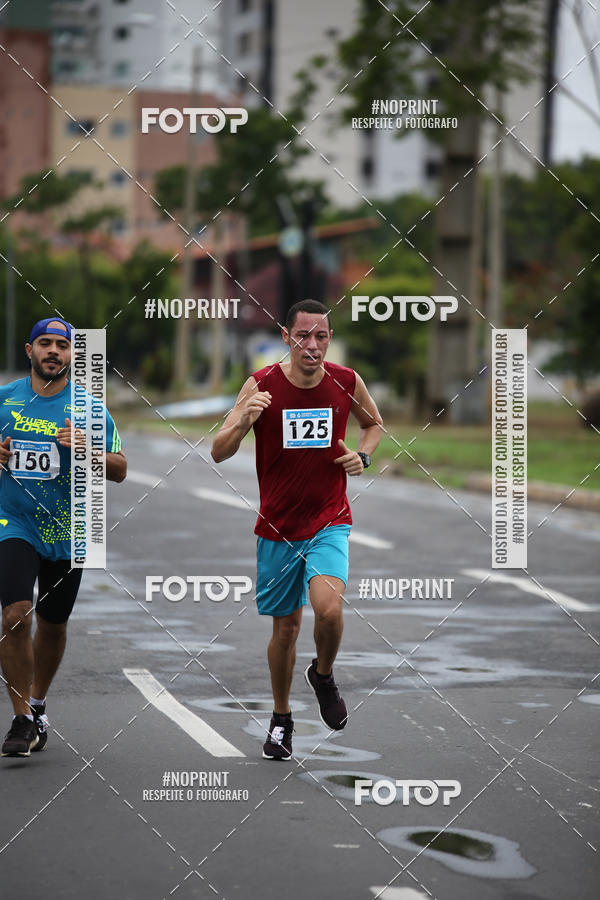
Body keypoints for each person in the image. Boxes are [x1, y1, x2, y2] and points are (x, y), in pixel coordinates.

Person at [211, 299, 383, 760]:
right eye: (303, 335)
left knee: (328, 610)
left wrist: (362, 457)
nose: (312, 345)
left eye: (321, 336)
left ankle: (323, 675)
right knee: (285, 629)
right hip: (277, 528)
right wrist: (245, 419)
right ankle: (282, 719)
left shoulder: (345, 381)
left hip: (329, 519)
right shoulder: (261, 384)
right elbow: (219, 451)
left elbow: (373, 425)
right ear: (287, 337)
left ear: (329, 339)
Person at [0, 318, 127, 758]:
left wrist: (88, 450)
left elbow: (121, 469)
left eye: (63, 345)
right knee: (16, 614)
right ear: (30, 350)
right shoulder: (5, 400)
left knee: (53, 626)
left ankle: (36, 704)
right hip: (11, 520)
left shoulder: (90, 409)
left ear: (73, 355)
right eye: (45, 344)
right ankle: (19, 719)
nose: (54, 351)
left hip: (68, 529)